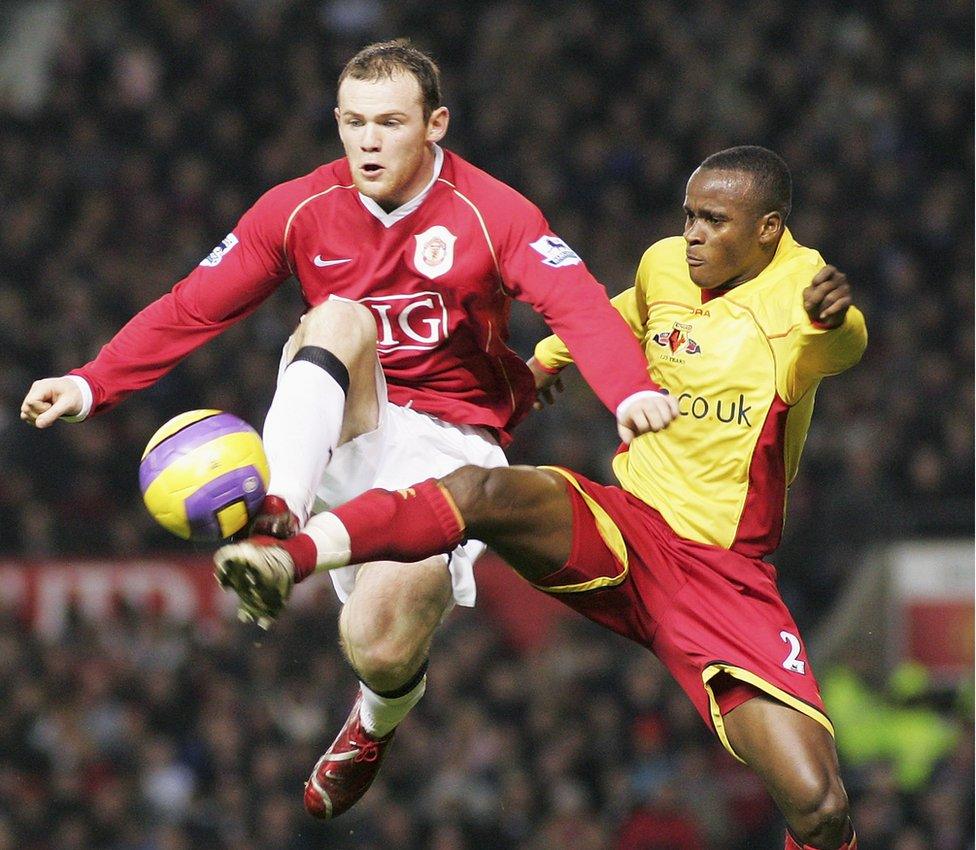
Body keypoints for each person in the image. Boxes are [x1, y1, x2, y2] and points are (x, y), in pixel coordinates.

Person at [19, 39, 677, 820]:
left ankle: (371, 723)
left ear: (435, 124)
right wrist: (92, 381)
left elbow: (577, 301)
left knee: (381, 642)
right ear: (336, 121)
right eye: (354, 122)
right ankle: (278, 524)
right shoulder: (298, 209)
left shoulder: (492, 211)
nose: (368, 141)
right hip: (339, 412)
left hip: (450, 448)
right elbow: (195, 303)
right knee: (336, 316)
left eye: (390, 123)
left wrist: (628, 391)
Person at [215, 146, 867, 850]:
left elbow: (842, 340)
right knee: (484, 490)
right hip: (628, 526)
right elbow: (624, 313)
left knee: (821, 809)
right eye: (689, 216)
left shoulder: (801, 304)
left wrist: (836, 318)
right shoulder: (666, 265)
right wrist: (545, 362)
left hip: (722, 578)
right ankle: (292, 557)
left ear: (768, 229)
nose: (693, 234)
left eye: (714, 220)